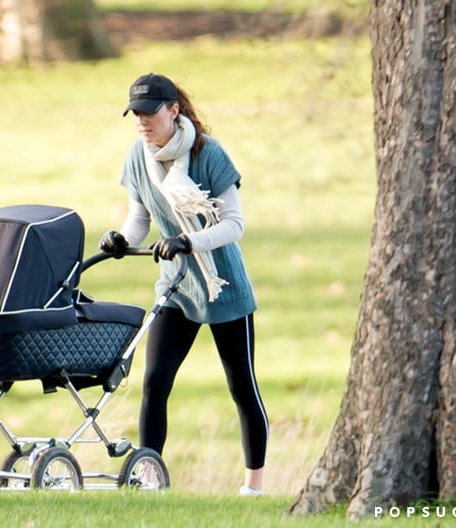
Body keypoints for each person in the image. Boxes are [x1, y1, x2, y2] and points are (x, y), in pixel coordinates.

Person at [100, 73, 269, 496]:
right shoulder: (137, 157)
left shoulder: (208, 154)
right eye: (135, 113)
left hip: (223, 287)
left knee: (241, 386)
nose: (141, 120)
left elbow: (235, 224)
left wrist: (189, 241)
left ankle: (253, 488)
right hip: (176, 288)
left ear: (173, 110)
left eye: (149, 111)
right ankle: (148, 480)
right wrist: (121, 239)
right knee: (155, 382)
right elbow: (140, 218)